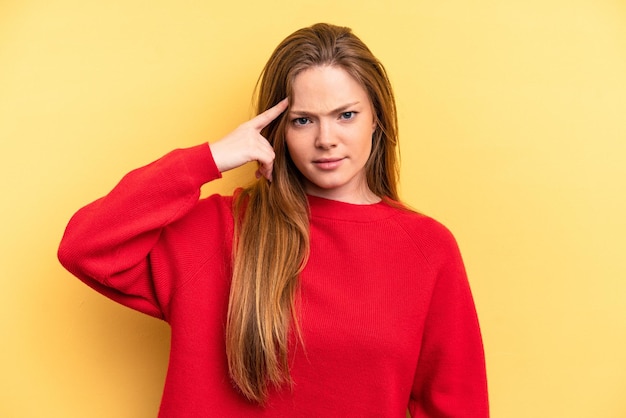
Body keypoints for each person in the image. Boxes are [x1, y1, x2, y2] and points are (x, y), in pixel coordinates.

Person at [58, 23, 489, 417]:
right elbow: (86, 246)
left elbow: (457, 405)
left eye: (346, 115)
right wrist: (209, 159)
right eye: (303, 120)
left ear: (377, 119)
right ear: (278, 130)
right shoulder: (220, 230)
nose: (326, 139)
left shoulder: (427, 248)